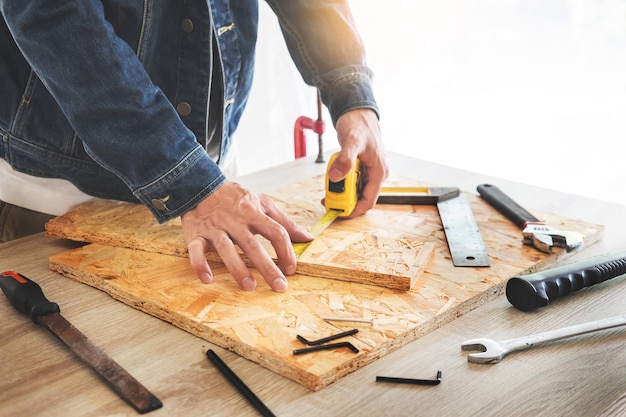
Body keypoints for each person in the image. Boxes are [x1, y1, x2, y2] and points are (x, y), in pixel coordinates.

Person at [0, 1, 389, 292]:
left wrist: (350, 90)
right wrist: (186, 177)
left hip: (213, 190)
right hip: (58, 194)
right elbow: (54, 16)